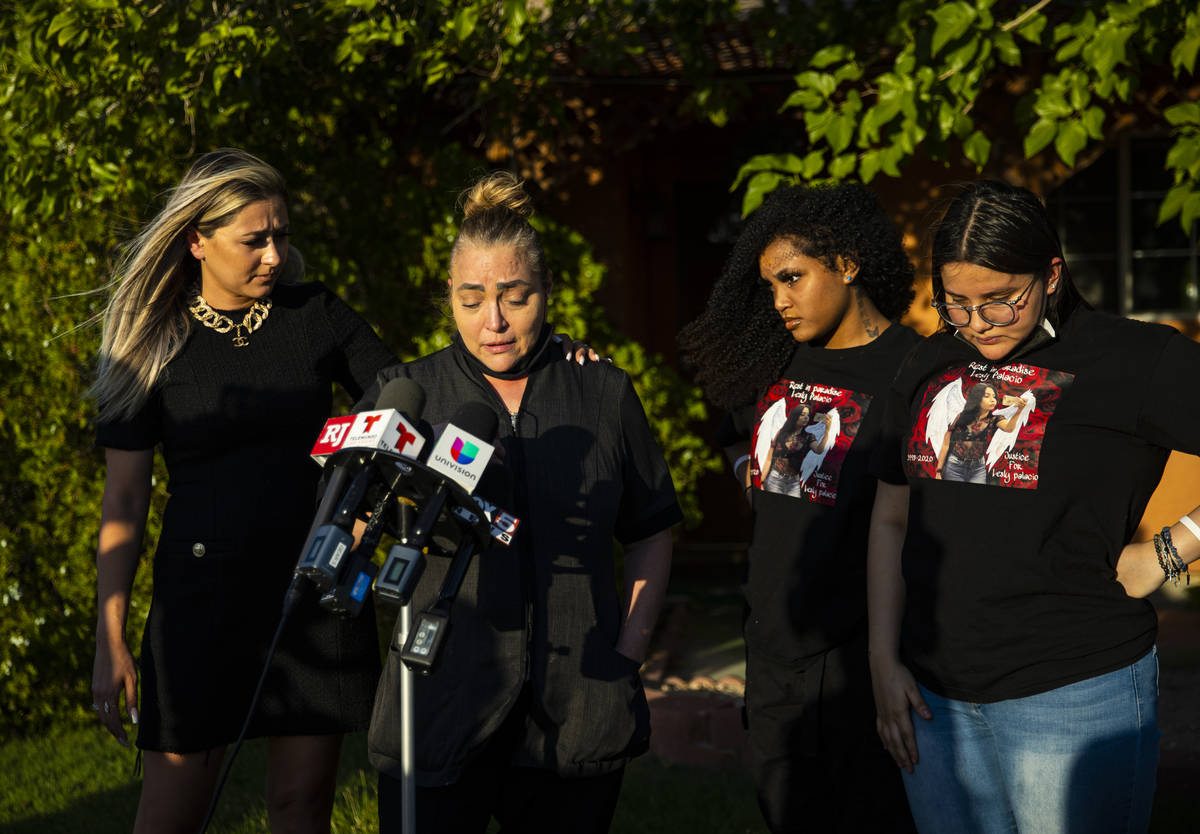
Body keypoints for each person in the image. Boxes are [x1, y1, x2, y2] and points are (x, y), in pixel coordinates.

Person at [868, 179, 1200, 833]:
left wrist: (1172, 548)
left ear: (1050, 275)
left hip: (1075, 693)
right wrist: (882, 661)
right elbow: (890, 516)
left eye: (1000, 300)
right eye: (955, 302)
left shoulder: (1134, 358)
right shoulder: (930, 359)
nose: (977, 323)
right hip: (933, 701)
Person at [90, 148, 398, 833]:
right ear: (196, 240)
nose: (275, 255)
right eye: (254, 240)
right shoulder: (151, 342)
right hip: (199, 604)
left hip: (314, 591)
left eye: (281, 235)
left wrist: (362, 509)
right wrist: (110, 636)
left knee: (300, 808)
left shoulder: (316, 314)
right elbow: (125, 503)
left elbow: (405, 398)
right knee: (170, 817)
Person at [364, 171, 681, 833]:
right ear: (448, 295)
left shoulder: (603, 393)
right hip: (438, 706)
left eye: (516, 297)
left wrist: (627, 652)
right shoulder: (408, 393)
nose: (495, 322)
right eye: (472, 299)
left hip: (578, 708)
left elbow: (651, 526)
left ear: (548, 290)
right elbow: (358, 523)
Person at [678, 182, 918, 833]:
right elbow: (732, 432)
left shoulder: (914, 369)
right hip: (773, 656)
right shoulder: (775, 359)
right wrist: (749, 477)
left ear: (847, 263)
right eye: (770, 285)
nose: (780, 300)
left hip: (862, 660)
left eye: (792, 278)